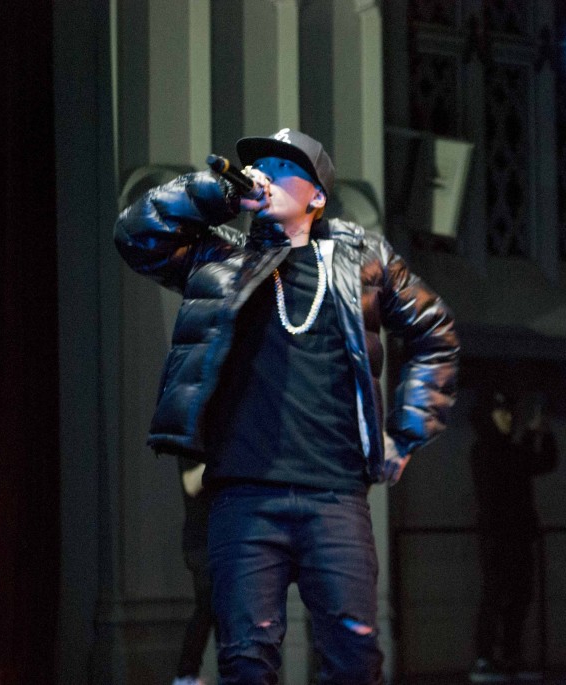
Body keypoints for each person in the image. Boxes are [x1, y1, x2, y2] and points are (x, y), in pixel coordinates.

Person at [114, 128, 459, 685]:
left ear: (317, 195)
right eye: (261, 165)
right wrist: (214, 194)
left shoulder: (363, 258)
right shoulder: (220, 254)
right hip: (245, 496)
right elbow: (136, 234)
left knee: (355, 662)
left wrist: (409, 431)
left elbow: (436, 332)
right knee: (246, 662)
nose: (266, 174)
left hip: (335, 496)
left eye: (283, 166)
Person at [468, 390, 558, 683]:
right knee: (496, 595)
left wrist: (543, 434)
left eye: (509, 413)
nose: (508, 418)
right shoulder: (484, 450)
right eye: (501, 413)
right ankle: (485, 657)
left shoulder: (511, 449)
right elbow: (516, 467)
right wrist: (532, 436)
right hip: (497, 537)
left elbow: (544, 462)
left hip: (519, 536)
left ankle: (510, 655)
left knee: (520, 596)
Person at [173, 458, 214, 685]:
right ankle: (184, 677)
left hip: (227, 536)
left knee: (225, 612)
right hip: (201, 540)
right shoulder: (194, 435)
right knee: (208, 604)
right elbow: (190, 482)